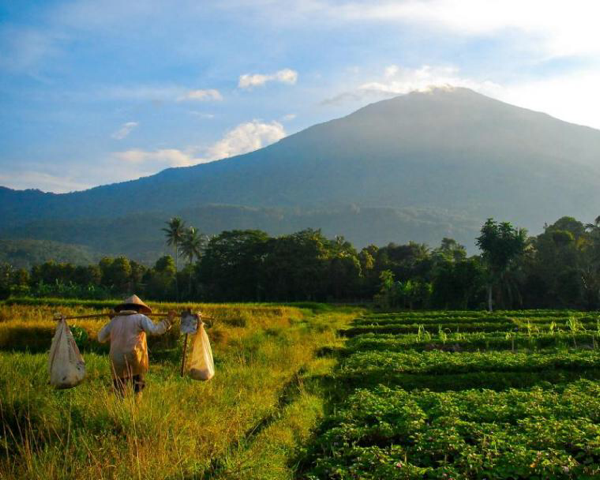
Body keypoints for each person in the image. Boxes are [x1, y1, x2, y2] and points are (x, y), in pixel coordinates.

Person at [98, 294, 174, 397]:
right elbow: (155, 330)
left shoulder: (114, 321)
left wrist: (112, 322)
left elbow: (100, 338)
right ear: (139, 309)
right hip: (134, 357)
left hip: (116, 358)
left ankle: (119, 410)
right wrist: (168, 320)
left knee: (119, 388)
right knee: (137, 387)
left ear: (124, 308)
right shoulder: (140, 318)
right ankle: (137, 409)